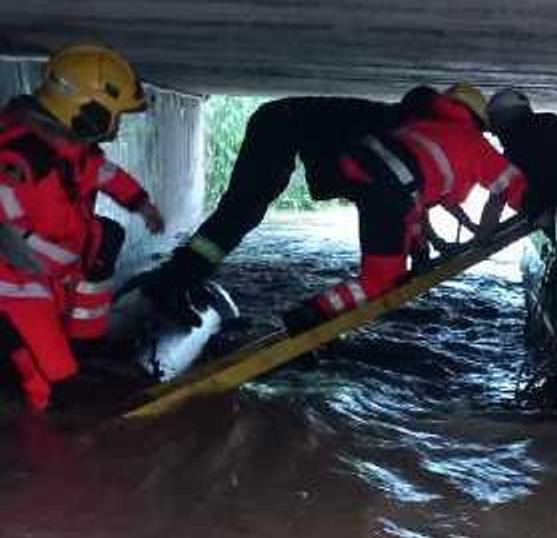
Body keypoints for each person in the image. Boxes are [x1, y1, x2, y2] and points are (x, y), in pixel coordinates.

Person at [143, 84, 528, 333]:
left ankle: (181, 278)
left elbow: (413, 194)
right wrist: (418, 243)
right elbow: (405, 194)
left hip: (292, 127)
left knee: (242, 213)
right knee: (242, 212)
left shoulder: (413, 124)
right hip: (283, 126)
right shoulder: (410, 128)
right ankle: (170, 284)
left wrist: (426, 240)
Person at [0, 44, 164, 410]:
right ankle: (49, 423)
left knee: (105, 237)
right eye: (115, 116)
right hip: (15, 285)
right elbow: (11, 238)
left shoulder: (72, 152)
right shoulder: (21, 159)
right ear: (86, 112)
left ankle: (83, 350)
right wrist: (60, 265)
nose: (118, 126)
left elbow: (106, 174)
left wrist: (141, 203)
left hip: (45, 275)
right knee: (53, 378)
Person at [484, 89, 557, 333]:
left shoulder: (515, 145)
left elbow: (497, 197)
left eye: (494, 125)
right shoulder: (555, 123)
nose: (494, 133)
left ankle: (556, 317)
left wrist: (484, 236)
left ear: (503, 119)